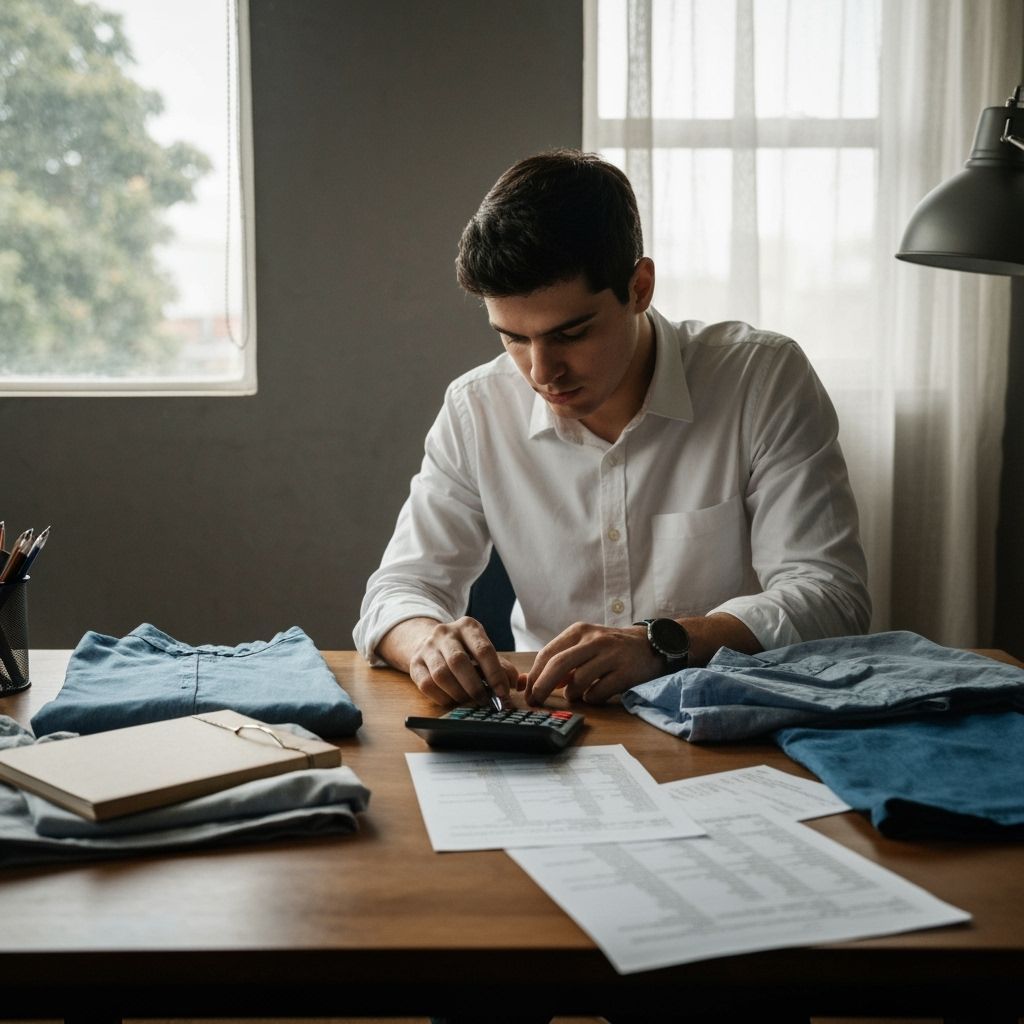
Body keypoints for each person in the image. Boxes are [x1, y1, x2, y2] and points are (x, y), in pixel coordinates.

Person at [354, 149, 870, 707]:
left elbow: (831, 596)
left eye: (570, 334)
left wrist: (662, 643)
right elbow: (398, 591)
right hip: (549, 717)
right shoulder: (475, 409)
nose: (541, 372)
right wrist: (427, 641)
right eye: (514, 338)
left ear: (640, 287)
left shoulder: (761, 380)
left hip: (730, 711)